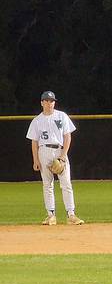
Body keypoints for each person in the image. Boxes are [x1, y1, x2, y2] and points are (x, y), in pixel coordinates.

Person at [26, 91, 85, 225]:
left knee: (66, 184)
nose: (49, 103)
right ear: (42, 103)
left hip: (59, 150)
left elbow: (67, 136)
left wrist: (63, 155)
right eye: (46, 101)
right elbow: (34, 142)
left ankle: (71, 215)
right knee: (47, 185)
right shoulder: (37, 121)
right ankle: (50, 215)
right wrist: (35, 159)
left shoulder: (61, 116)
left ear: (54, 102)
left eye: (51, 101)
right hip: (44, 151)